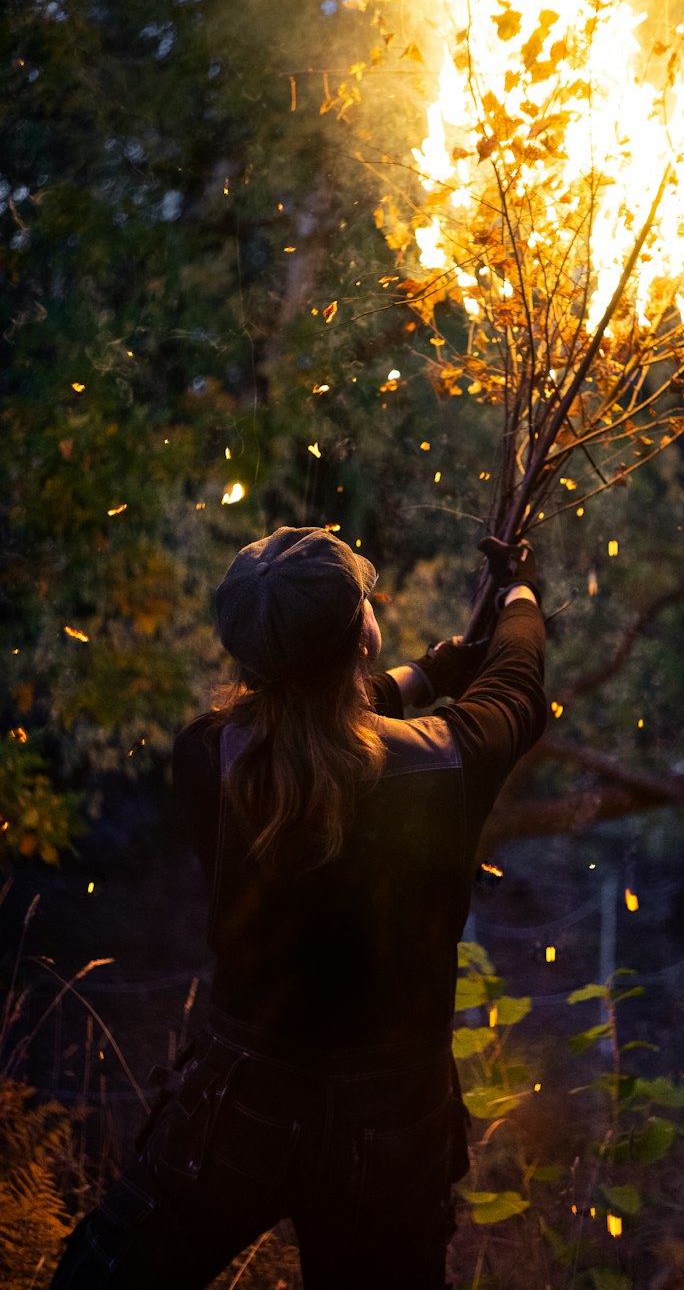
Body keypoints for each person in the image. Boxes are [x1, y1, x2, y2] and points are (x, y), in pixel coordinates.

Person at [50, 525, 546, 1288]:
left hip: (242, 1097)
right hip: (393, 1122)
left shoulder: (205, 756)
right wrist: (517, 592)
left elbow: (310, 720)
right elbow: (515, 683)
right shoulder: (448, 761)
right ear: (365, 637)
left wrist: (430, 670)